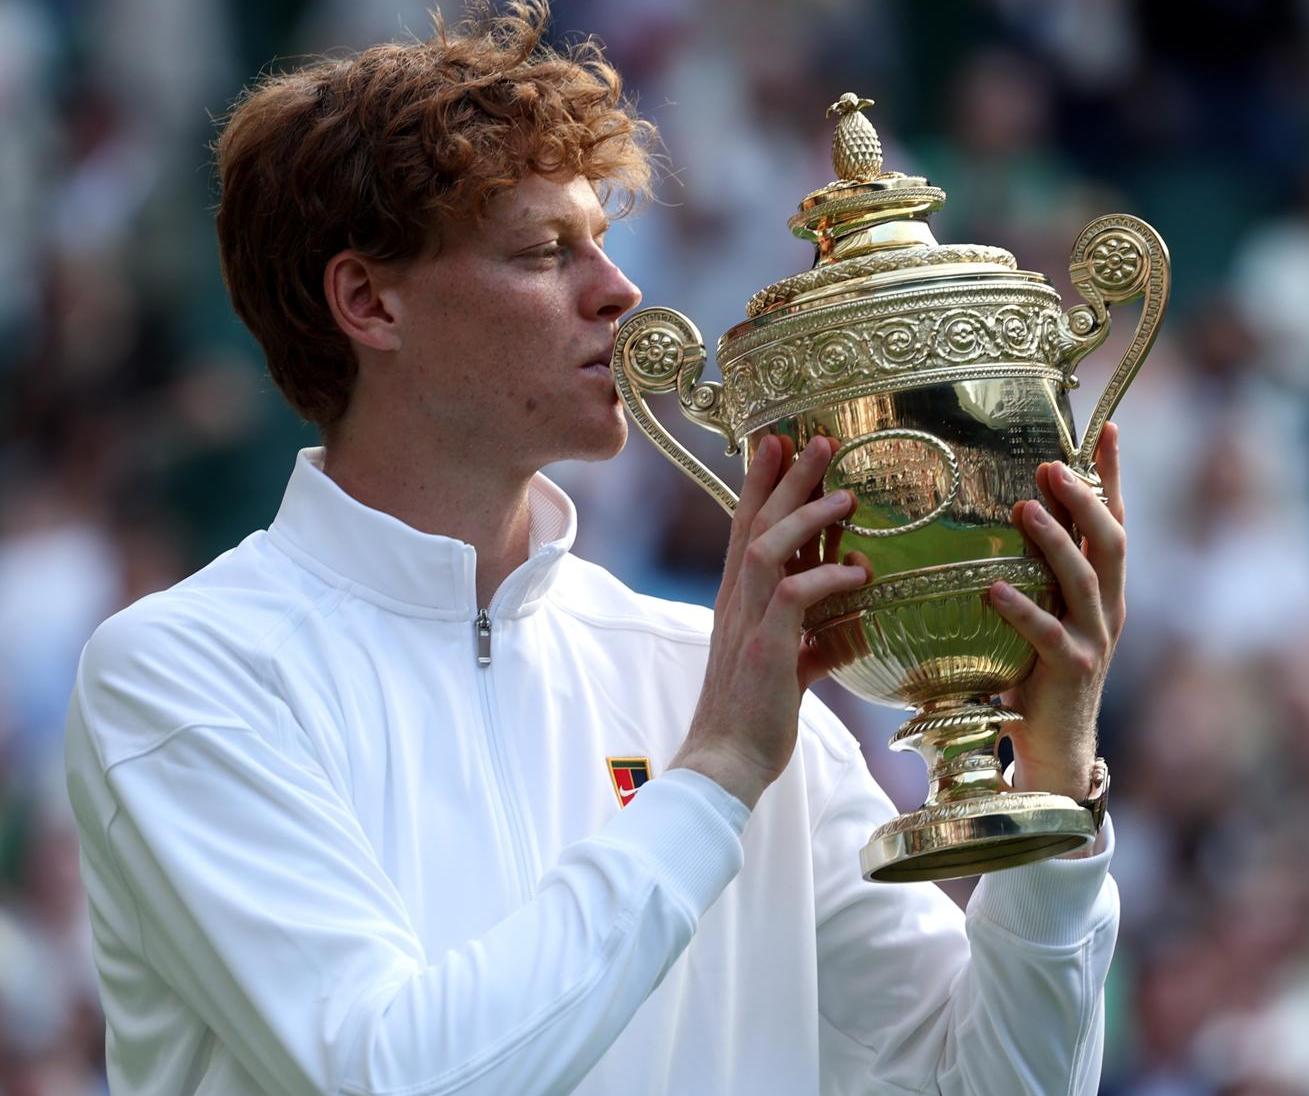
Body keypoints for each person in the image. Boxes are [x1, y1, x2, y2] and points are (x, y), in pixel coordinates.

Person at [62, 4, 1125, 1093]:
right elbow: (394, 1075)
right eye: (541, 253)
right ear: (369, 302)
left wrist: (1052, 796)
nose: (617, 291)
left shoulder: (707, 679)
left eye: (603, 242)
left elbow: (991, 1083)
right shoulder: (182, 672)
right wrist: (710, 781)